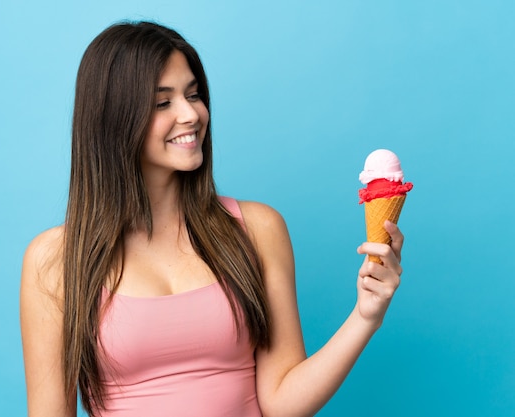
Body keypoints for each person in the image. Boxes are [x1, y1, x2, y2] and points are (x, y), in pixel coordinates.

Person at [20, 21, 404, 417]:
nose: (192, 114)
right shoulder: (55, 262)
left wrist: (365, 315)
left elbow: (282, 402)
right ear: (114, 120)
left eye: (194, 94)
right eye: (162, 102)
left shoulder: (257, 229)